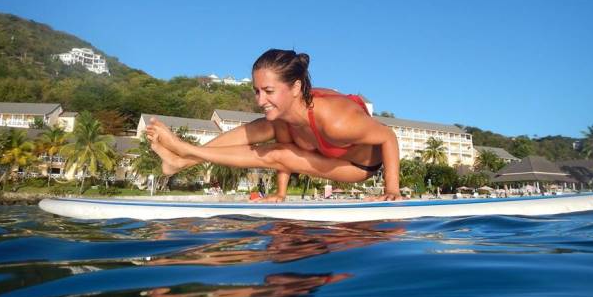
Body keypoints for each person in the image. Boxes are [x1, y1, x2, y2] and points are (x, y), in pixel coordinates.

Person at [146, 48, 402, 201]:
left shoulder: (336, 121)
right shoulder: (287, 112)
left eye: (268, 91)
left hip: (358, 166)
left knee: (277, 149)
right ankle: (178, 161)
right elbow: (285, 146)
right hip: (318, 148)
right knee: (263, 126)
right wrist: (280, 193)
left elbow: (388, 137)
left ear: (296, 87)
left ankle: (185, 151)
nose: (260, 100)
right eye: (257, 91)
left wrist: (392, 190)